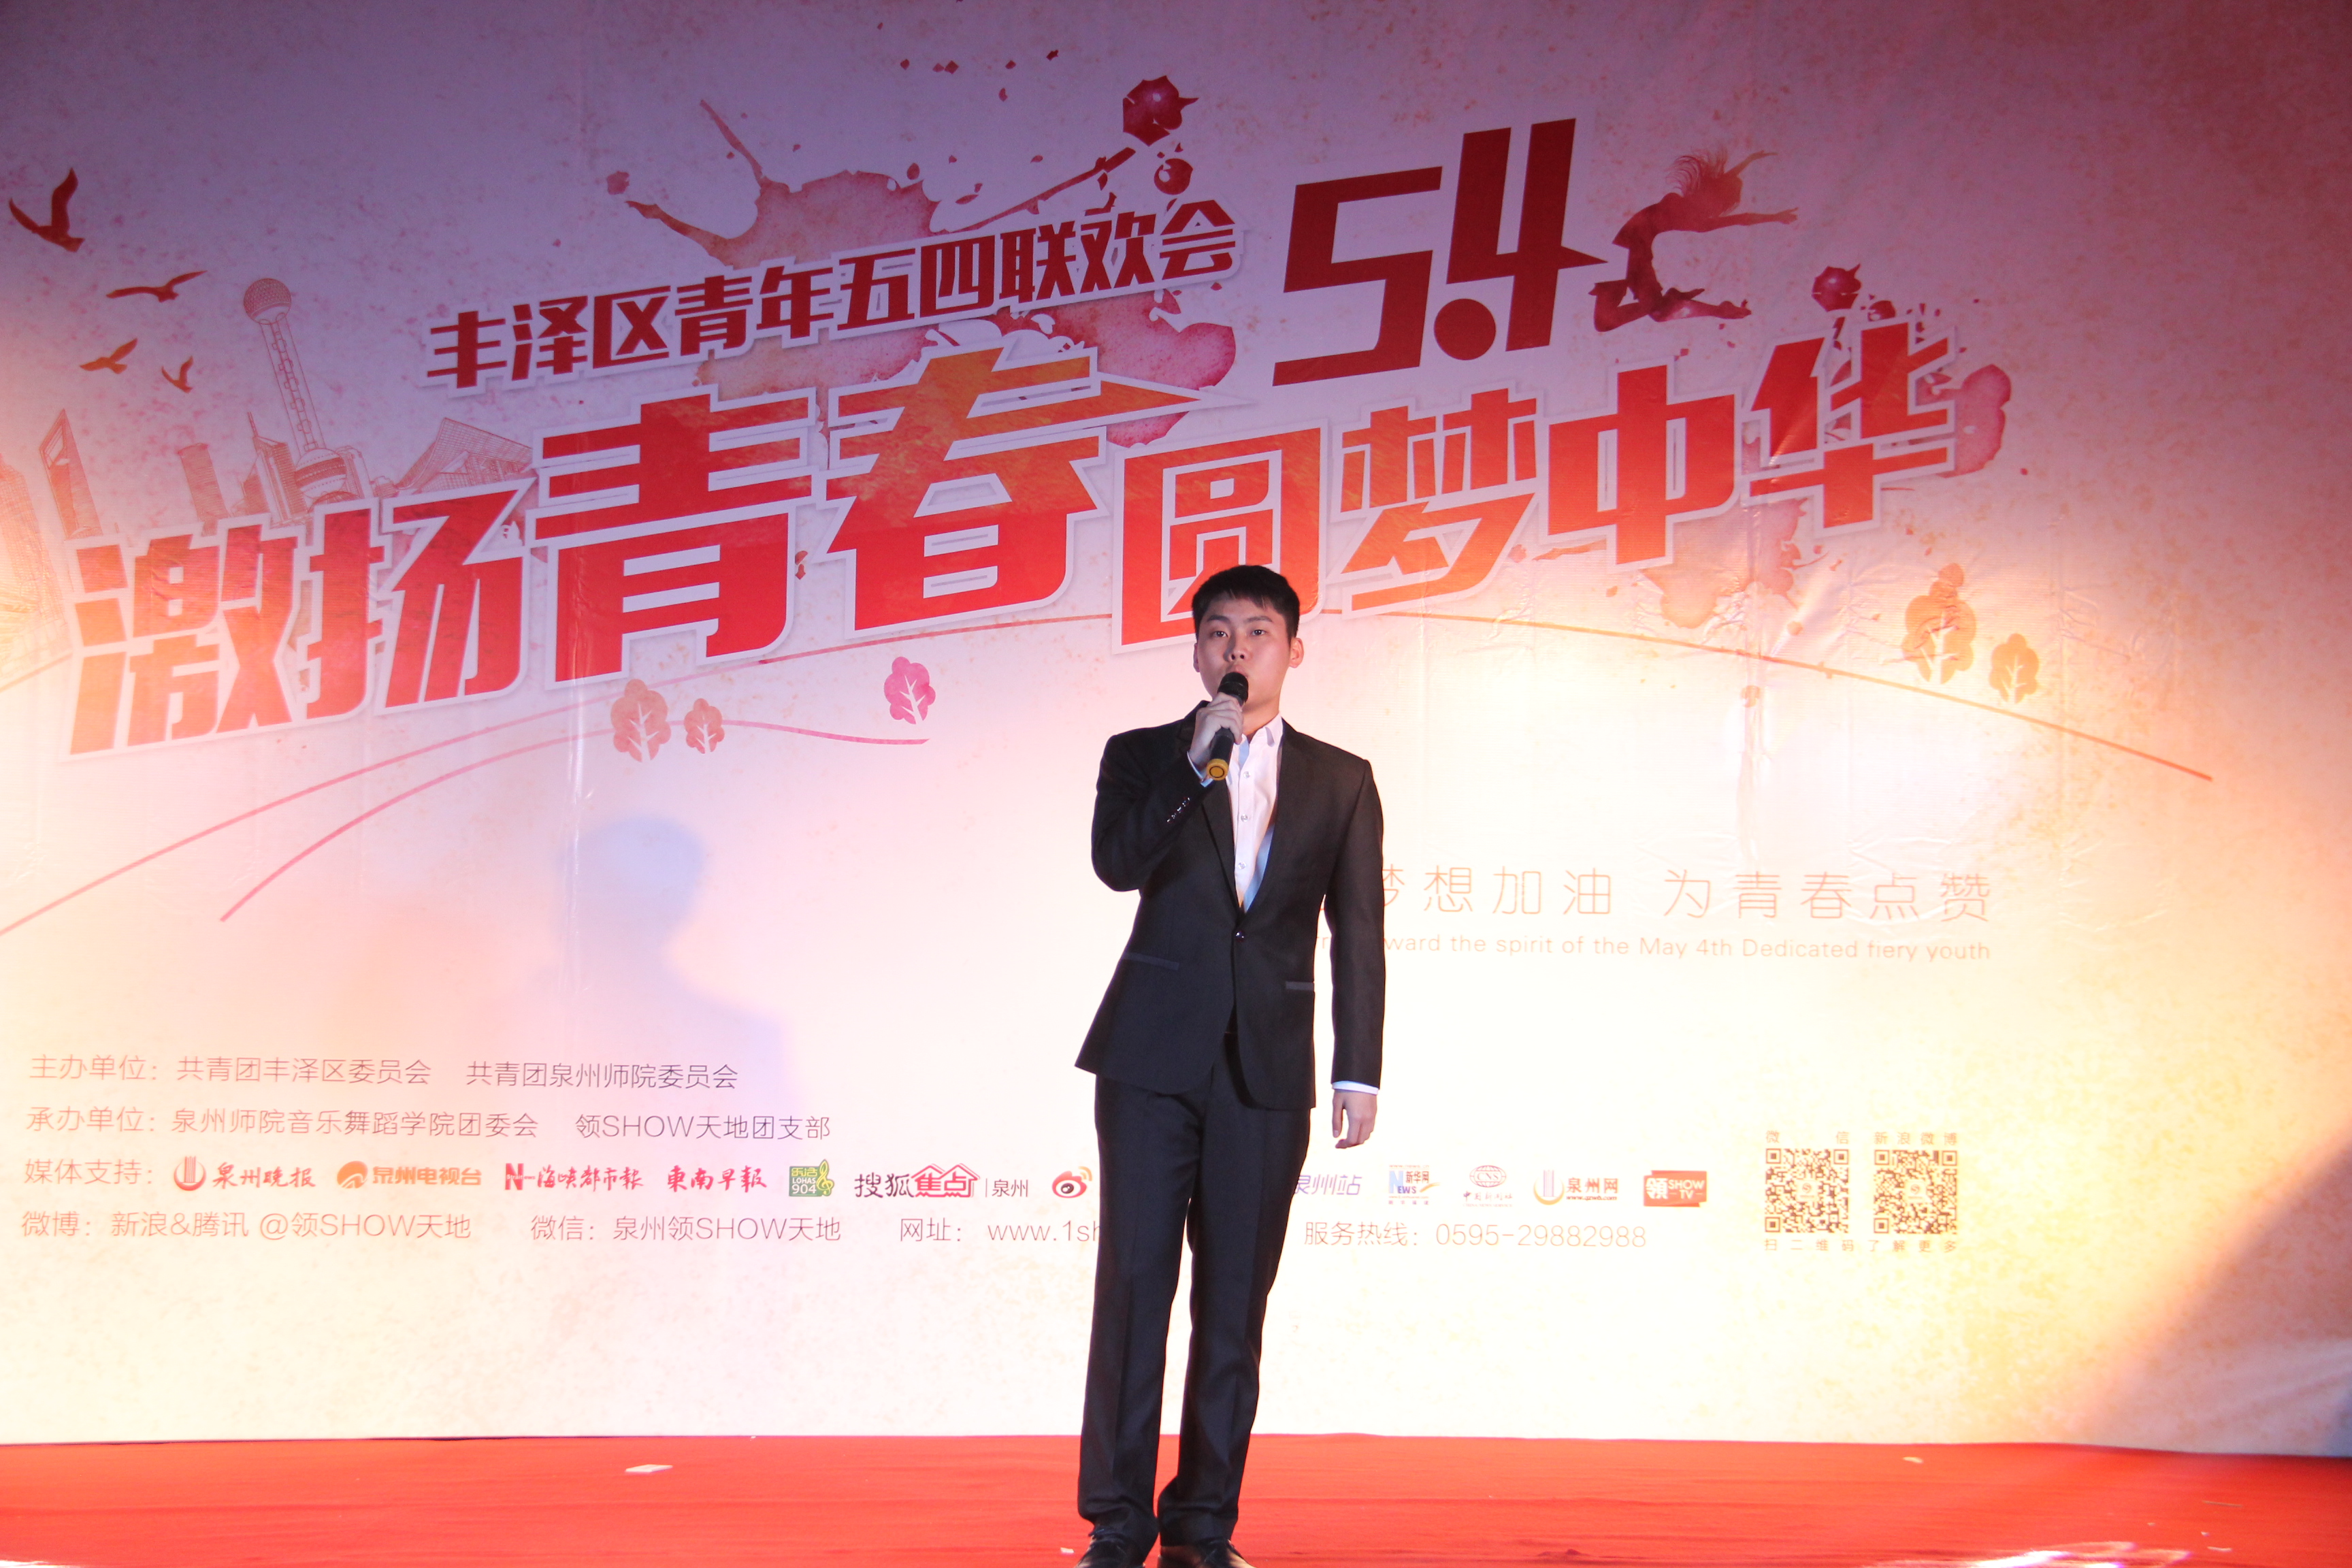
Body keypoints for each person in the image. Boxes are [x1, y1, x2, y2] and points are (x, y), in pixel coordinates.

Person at [1074, 564, 1385, 1568]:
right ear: (1197, 652)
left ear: (1294, 650)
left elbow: (1359, 932)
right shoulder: (1144, 755)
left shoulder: (1342, 779)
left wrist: (1358, 1070)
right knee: (1134, 1291)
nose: (1237, 648)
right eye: (1218, 632)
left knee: (1234, 1304)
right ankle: (1117, 1523)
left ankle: (1203, 1528)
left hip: (1266, 1069)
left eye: (1258, 632)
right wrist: (1192, 769)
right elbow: (1118, 865)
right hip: (1149, 1060)